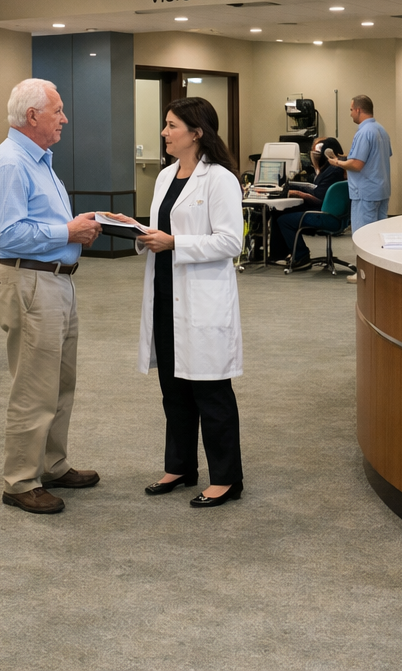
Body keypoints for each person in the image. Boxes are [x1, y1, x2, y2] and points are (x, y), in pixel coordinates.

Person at [0, 78, 102, 515]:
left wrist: (75, 228)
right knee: (34, 385)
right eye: (58, 111)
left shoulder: (39, 160)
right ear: (33, 116)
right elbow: (6, 234)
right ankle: (20, 481)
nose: (64, 118)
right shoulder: (11, 162)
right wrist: (68, 231)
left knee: (60, 381)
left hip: (56, 280)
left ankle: (51, 463)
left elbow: (41, 223)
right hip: (30, 282)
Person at [132, 96, 246, 507]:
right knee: (173, 388)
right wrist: (143, 236)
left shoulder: (220, 179)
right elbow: (162, 228)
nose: (164, 132)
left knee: (210, 391)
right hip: (166, 294)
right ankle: (179, 466)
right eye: (165, 125)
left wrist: (175, 242)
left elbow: (232, 241)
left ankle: (227, 478)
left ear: (197, 133)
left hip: (202, 299)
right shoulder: (165, 177)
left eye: (171, 126)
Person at [326, 95, 391, 282]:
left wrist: (337, 162)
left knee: (363, 235)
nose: (350, 113)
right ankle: (379, 271)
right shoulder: (381, 130)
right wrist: (347, 157)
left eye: (351, 109)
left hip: (365, 193)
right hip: (381, 190)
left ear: (358, 110)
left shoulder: (363, 132)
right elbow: (374, 157)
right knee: (378, 236)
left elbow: (357, 165)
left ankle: (364, 273)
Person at [269, 136, 345, 270]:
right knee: (278, 212)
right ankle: (281, 254)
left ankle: (301, 255)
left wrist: (298, 193)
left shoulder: (334, 170)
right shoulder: (329, 169)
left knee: (283, 220)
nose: (314, 156)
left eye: (317, 153)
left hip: (325, 215)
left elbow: (319, 198)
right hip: (327, 212)